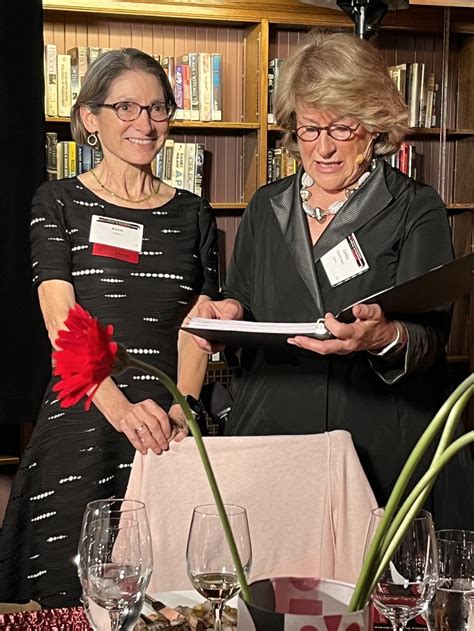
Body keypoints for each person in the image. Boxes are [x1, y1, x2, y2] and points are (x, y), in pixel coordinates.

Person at [192, 30, 473, 528]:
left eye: (341, 129)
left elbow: (430, 338)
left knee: (371, 596)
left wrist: (382, 336)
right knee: (270, 588)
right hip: (273, 431)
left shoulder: (415, 208)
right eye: (309, 129)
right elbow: (242, 296)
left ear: (374, 127)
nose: (322, 148)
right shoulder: (266, 206)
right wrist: (225, 311)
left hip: (375, 438)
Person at [0, 48, 219, 607]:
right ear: (89, 119)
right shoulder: (59, 202)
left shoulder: (194, 214)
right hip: (86, 423)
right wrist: (121, 411)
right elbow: (61, 318)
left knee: (169, 602)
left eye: (157, 108)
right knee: (67, 600)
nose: (144, 124)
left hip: (168, 437)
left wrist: (182, 409)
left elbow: (201, 321)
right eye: (125, 107)